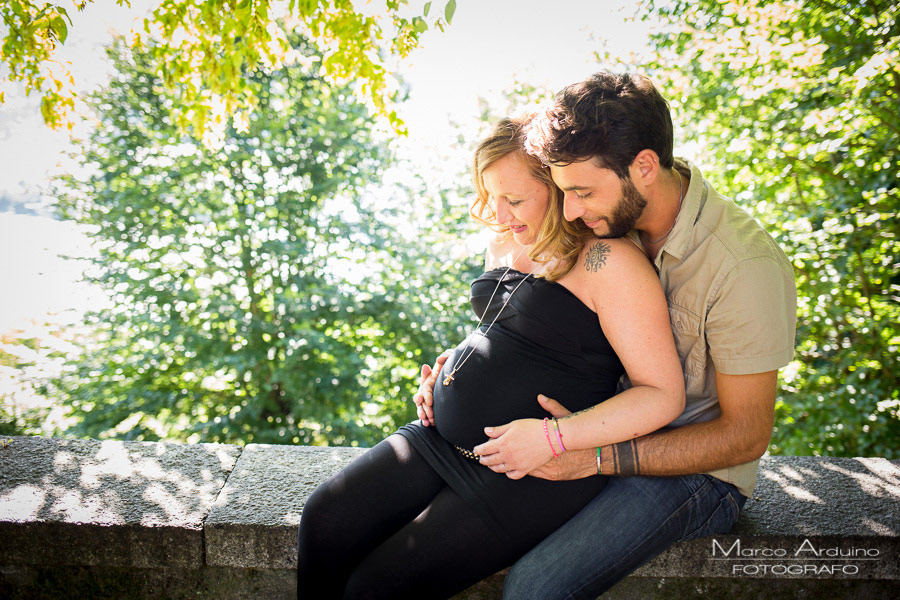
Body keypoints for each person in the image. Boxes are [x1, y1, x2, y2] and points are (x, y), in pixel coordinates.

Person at [416, 71, 798, 599]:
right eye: (563, 191)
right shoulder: (607, 218)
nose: (569, 209)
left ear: (644, 166)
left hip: (690, 474)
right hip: (590, 432)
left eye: (581, 193)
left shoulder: (742, 266)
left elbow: (745, 436)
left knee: (533, 588)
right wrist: (460, 370)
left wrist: (595, 458)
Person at [295, 115, 686, 599]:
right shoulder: (505, 239)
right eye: (491, 197)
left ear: (556, 186)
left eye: (515, 200)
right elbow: (501, 332)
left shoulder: (608, 263)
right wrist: (449, 369)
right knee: (323, 519)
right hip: (440, 441)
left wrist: (552, 436)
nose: (499, 216)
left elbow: (662, 395)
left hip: (530, 472)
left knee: (375, 588)